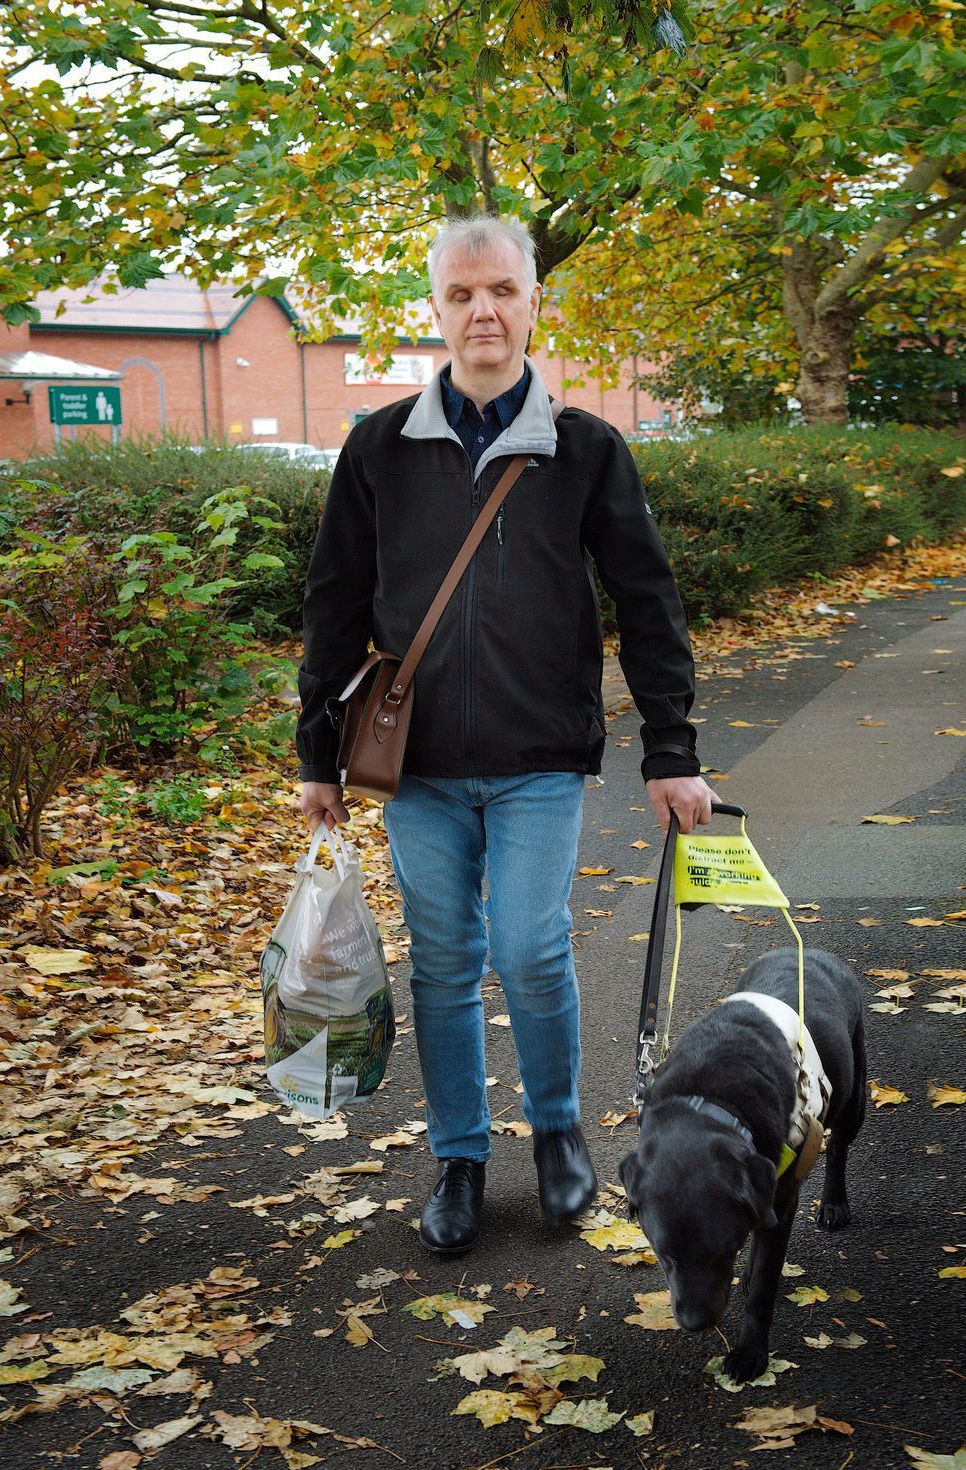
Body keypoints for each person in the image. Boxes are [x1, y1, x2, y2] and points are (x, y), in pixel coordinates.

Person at [298, 215, 717, 1255]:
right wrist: (318, 757)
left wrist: (674, 752)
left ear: (534, 303)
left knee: (531, 951)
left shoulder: (585, 450)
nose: (482, 311)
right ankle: (460, 1157)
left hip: (539, 760)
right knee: (443, 962)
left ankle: (561, 1138)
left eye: (502, 291)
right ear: (436, 310)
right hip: (420, 765)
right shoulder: (380, 448)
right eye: (460, 294)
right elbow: (334, 600)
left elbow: (648, 605)